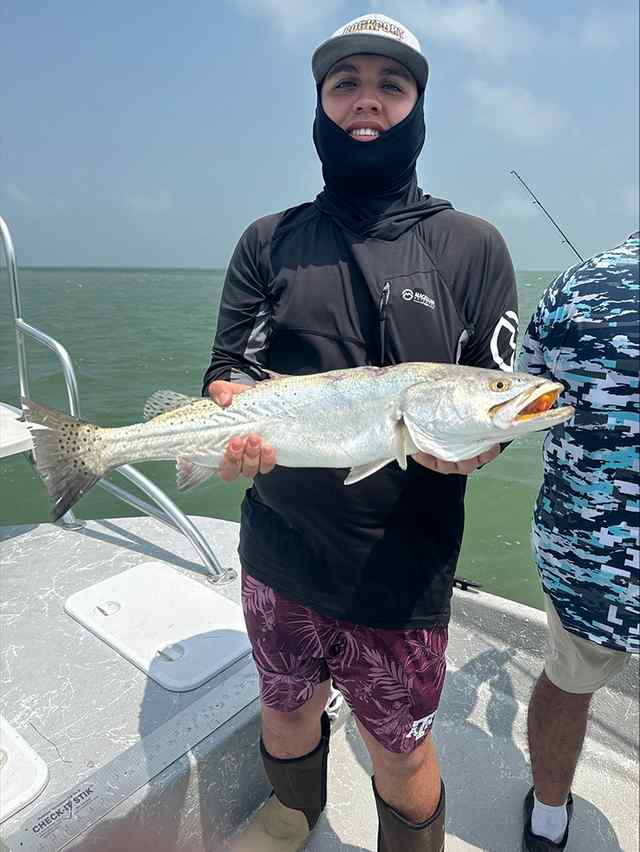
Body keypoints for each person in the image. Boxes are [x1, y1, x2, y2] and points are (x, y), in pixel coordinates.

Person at [203, 13, 518, 852]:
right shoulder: (266, 242)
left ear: (418, 106)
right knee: (284, 703)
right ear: (319, 104)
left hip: (401, 569)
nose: (365, 103)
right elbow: (227, 374)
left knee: (399, 745)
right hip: (277, 548)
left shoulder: (473, 246)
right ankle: (291, 814)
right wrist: (227, 421)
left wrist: (483, 445)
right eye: (345, 85)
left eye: (390, 85)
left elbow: (492, 403)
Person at [518, 231, 639, 851]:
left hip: (592, 564)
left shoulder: (573, 288)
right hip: (589, 562)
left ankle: (547, 819)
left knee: (569, 682)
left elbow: (522, 398)